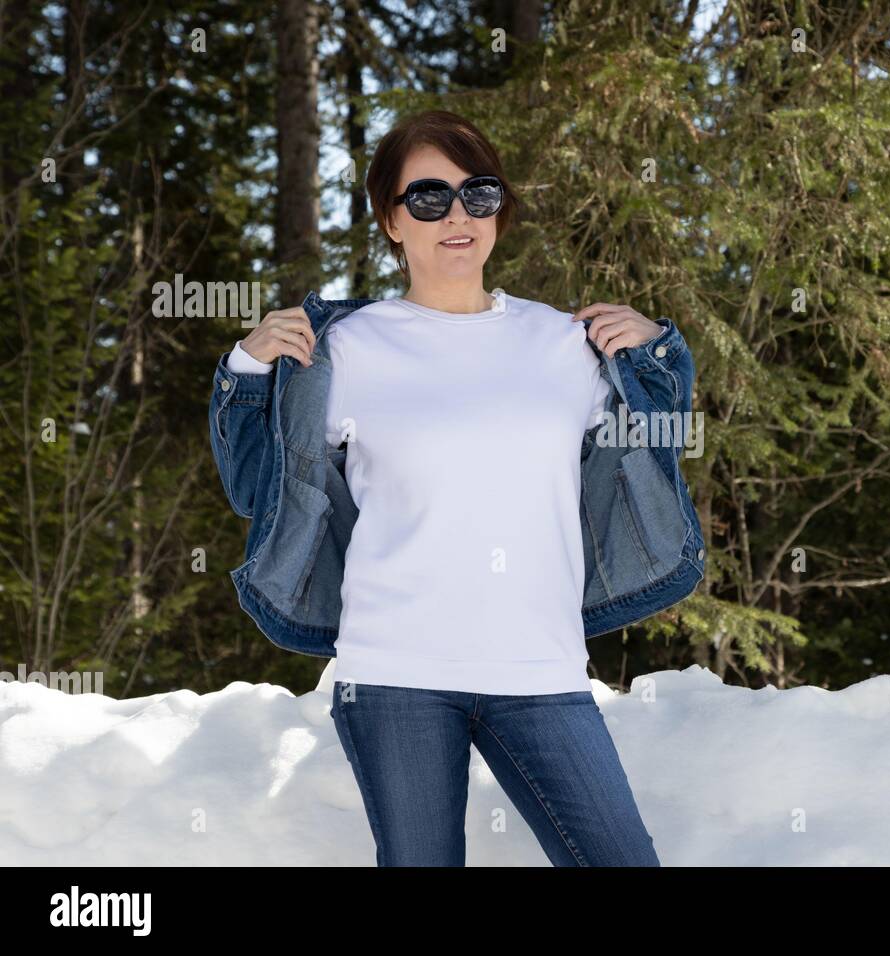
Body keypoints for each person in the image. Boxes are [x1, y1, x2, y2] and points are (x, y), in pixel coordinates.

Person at [222, 109, 683, 866]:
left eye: (478, 193)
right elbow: (256, 490)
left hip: (540, 666)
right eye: (429, 198)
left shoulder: (565, 344)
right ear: (391, 220)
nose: (457, 216)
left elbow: (655, 465)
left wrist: (658, 356)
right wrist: (246, 371)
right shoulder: (342, 350)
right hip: (394, 671)